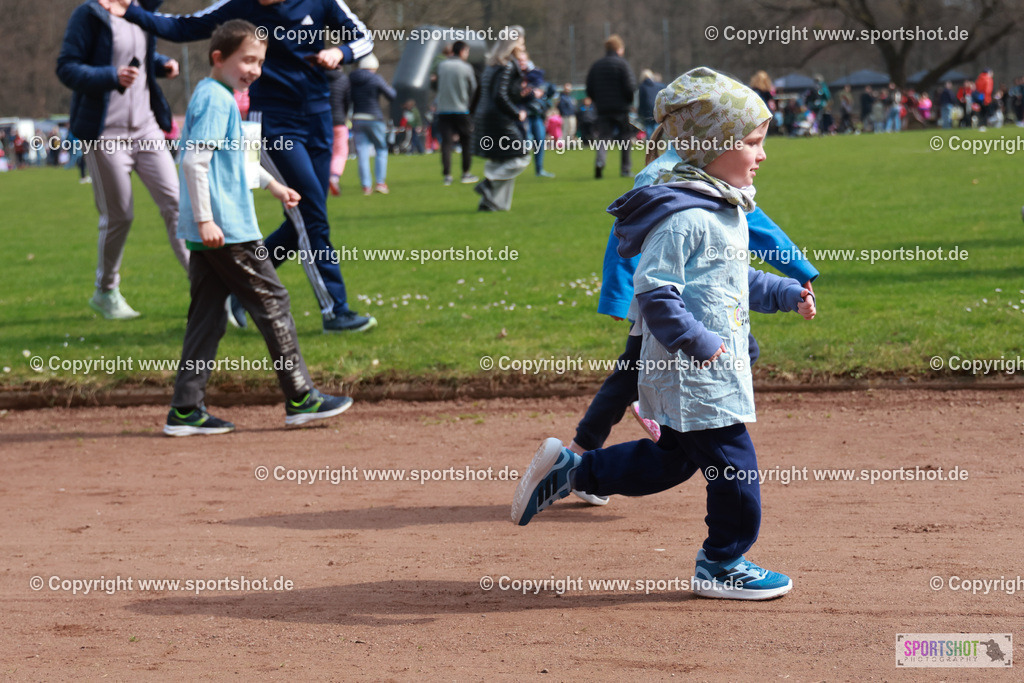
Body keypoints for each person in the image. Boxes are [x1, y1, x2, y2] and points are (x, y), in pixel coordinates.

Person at [511, 68, 816, 601]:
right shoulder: (683, 218)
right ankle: (722, 562)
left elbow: (732, 278)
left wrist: (784, 292)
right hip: (694, 371)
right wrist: (698, 342)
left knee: (670, 460)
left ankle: (572, 472)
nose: (762, 154)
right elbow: (655, 294)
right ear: (710, 146)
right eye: (750, 142)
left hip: (709, 369)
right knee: (734, 467)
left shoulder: (723, 207)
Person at [565, 110, 818, 508]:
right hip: (665, 305)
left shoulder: (720, 184)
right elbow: (624, 237)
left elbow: (756, 231)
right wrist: (616, 296)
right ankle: (582, 454)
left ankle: (610, 448)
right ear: (712, 138)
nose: (762, 154)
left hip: (706, 307)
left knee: (739, 355)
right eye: (752, 142)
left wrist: (794, 275)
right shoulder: (667, 178)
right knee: (630, 377)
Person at [100, 0, 378, 334]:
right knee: (311, 217)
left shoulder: (321, 3)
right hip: (274, 122)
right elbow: (184, 27)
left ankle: (236, 289)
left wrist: (341, 54)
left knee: (304, 218)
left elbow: (363, 37)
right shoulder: (240, 5)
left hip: (318, 118)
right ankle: (336, 311)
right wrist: (131, 11)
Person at [164, 20, 352, 437]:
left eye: (260, 62)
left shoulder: (222, 97)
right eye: (247, 59)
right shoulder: (216, 99)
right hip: (226, 228)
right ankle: (301, 397)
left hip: (216, 228)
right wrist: (207, 219)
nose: (255, 69)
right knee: (273, 300)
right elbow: (195, 161)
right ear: (218, 58)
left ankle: (185, 409)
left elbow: (243, 161)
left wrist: (275, 185)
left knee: (207, 317)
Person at [57, 0, 187, 320]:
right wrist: (110, 75)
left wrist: (160, 64)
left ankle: (206, 286)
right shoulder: (89, 15)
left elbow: (137, 55)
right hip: (105, 133)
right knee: (120, 216)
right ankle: (106, 291)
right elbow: (67, 67)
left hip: (147, 128)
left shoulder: (138, 11)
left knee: (178, 206)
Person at [471, 27, 530, 212]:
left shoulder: (491, 64)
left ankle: (492, 204)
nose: (523, 45)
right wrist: (516, 113)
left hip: (485, 117)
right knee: (521, 156)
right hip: (499, 119)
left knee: (500, 159)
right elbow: (500, 96)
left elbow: (483, 93)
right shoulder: (508, 65)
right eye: (521, 42)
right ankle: (489, 183)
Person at [586, 34, 636, 178]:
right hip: (621, 109)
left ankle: (600, 162)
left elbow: (589, 87)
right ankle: (625, 169)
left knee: (603, 138)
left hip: (603, 109)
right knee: (625, 138)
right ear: (619, 49)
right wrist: (628, 102)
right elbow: (630, 86)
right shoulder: (622, 64)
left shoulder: (596, 65)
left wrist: (598, 101)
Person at [349, 54, 395, 195]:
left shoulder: (351, 78)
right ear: (374, 67)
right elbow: (391, 95)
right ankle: (380, 183)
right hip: (374, 117)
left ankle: (366, 187)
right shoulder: (376, 78)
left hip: (357, 117)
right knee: (381, 149)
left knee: (362, 152)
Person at [434, 39, 478, 186]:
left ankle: (447, 175)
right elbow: (474, 88)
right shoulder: (466, 68)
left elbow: (436, 84)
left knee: (446, 143)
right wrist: (470, 105)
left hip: (443, 109)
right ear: (462, 51)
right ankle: (466, 173)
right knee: (466, 141)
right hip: (461, 109)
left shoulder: (442, 66)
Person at [326, 68, 351, 196]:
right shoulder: (343, 79)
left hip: (321, 120)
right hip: (338, 121)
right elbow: (347, 101)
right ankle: (334, 176)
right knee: (340, 152)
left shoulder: (317, 77)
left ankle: (321, 179)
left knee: (323, 151)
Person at [638, 69, 664, 139]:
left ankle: (650, 144)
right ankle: (658, 142)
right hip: (657, 108)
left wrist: (640, 112)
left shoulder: (642, 86)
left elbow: (642, 100)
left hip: (647, 110)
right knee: (656, 126)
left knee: (649, 127)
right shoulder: (658, 85)